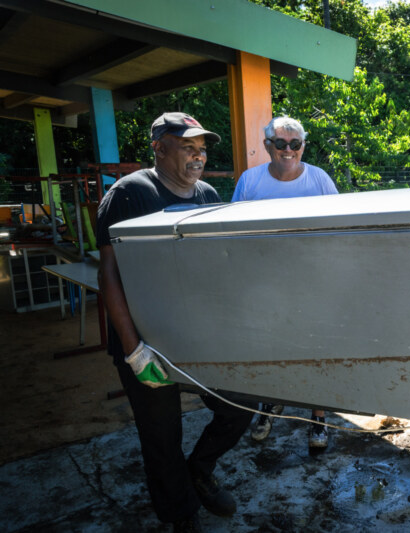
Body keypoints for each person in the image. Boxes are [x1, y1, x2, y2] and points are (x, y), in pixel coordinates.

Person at [97, 112, 254, 532]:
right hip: (145, 340)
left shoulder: (206, 194)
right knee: (162, 436)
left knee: (241, 404)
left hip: (199, 335)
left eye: (202, 149)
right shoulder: (130, 193)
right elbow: (109, 274)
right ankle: (180, 514)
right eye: (188, 147)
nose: (198, 156)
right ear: (159, 148)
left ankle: (199, 470)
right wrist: (132, 350)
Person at [232, 115, 338, 449]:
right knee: (269, 350)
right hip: (266, 287)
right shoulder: (250, 182)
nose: (288, 150)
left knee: (314, 350)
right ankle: (269, 406)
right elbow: (233, 233)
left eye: (295, 144)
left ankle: (318, 420)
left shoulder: (320, 180)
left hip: (314, 282)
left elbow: (341, 228)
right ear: (268, 146)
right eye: (280, 143)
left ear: (303, 146)